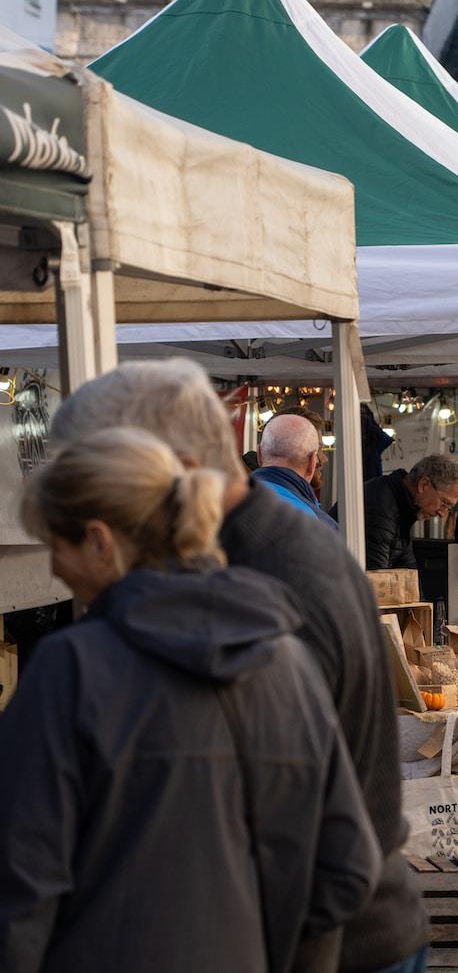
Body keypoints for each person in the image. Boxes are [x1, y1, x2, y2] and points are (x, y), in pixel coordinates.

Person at [49, 360, 430, 973]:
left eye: (102, 485)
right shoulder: (271, 545)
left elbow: (307, 831)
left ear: (169, 469)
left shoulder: (261, 576)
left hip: (331, 941)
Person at [0, 428, 381, 973]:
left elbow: (20, 890)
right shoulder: (285, 662)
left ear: (102, 540)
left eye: (57, 543)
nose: (55, 568)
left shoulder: (72, 671)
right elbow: (345, 868)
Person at [362, 454, 458, 570]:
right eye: (444, 503)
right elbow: (376, 578)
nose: (442, 514)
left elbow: (408, 571)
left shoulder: (402, 508)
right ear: (424, 485)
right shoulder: (381, 509)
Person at [254, 411, 339, 531]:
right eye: (319, 449)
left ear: (259, 454)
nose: (324, 459)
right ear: (312, 461)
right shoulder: (320, 528)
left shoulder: (224, 501)